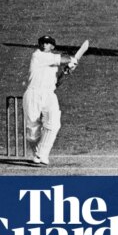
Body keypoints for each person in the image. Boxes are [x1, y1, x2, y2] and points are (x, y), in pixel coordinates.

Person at [23, 36, 78, 166]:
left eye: (47, 43)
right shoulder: (37, 55)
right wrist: (72, 60)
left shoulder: (53, 63)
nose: (44, 45)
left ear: (52, 46)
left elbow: (56, 83)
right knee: (32, 133)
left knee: (54, 124)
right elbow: (63, 59)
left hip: (49, 94)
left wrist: (65, 72)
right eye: (42, 42)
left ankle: (41, 154)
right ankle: (38, 154)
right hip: (33, 93)